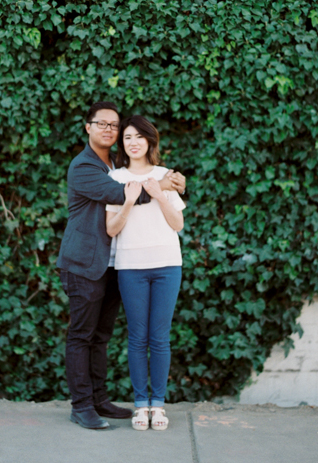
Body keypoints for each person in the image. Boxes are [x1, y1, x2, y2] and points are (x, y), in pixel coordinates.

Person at [57, 101, 186, 430]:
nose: (108, 130)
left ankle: (99, 399)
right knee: (82, 336)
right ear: (87, 127)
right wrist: (162, 184)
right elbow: (120, 193)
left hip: (113, 265)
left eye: (113, 126)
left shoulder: (112, 162)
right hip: (85, 263)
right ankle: (82, 405)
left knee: (100, 337)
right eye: (101, 124)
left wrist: (167, 180)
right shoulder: (86, 167)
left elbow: (141, 185)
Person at [105, 115, 186, 432]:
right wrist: (128, 202)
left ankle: (159, 405)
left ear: (150, 141)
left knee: (160, 337)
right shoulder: (115, 177)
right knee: (138, 338)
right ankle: (140, 405)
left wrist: (158, 194)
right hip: (130, 267)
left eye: (139, 136)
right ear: (122, 144)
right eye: (127, 137)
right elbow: (112, 228)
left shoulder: (165, 176)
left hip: (167, 264)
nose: (133, 142)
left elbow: (177, 224)